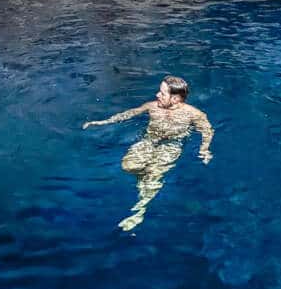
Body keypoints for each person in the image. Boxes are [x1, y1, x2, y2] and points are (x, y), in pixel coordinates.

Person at [83, 76, 214, 231]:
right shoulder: (153, 106)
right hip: (149, 141)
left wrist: (204, 150)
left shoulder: (194, 114)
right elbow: (130, 113)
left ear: (176, 98)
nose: (157, 95)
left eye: (163, 93)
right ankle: (143, 179)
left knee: (154, 175)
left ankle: (139, 210)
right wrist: (102, 122)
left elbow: (207, 131)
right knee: (128, 166)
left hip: (172, 145)